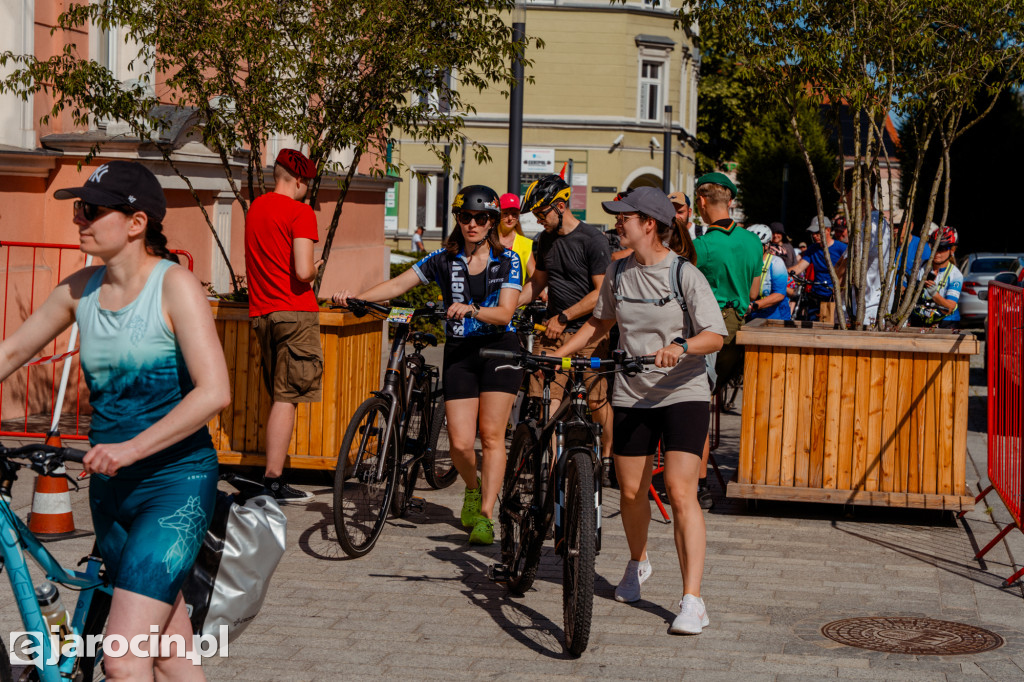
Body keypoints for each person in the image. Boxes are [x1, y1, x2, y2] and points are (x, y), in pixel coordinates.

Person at [0, 161, 231, 678]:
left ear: (135, 222)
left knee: (124, 659)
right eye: (79, 209)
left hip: (174, 486)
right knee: (170, 648)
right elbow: (11, 351)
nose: (79, 220)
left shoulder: (176, 287)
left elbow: (215, 393)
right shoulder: (80, 289)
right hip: (110, 489)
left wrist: (131, 449)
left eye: (91, 210)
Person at [552, 187, 726, 635]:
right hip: (632, 392)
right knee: (630, 492)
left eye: (623, 217)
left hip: (683, 391)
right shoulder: (618, 273)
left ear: (648, 223)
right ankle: (637, 562)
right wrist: (562, 354)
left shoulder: (684, 275)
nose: (616, 224)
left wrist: (680, 346)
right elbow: (600, 321)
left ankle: (693, 600)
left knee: (679, 488)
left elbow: (715, 336)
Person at [333, 185, 523, 545]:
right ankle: (472, 486)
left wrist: (472, 309)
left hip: (500, 349)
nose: (472, 224)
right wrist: (356, 298)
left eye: (481, 218)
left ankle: (485, 515)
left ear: (492, 222)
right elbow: (398, 284)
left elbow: (506, 313)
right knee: (460, 444)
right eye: (465, 217)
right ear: (457, 220)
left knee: (492, 436)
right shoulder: (443, 258)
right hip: (460, 351)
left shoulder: (508, 260)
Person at [518, 174, 614, 475]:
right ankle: (552, 465)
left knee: (597, 402)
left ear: (561, 206)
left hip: (590, 333)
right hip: (553, 332)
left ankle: (609, 459)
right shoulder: (544, 240)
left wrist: (564, 316)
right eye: (534, 215)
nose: (538, 221)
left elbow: (600, 292)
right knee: (547, 398)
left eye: (541, 213)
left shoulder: (593, 240)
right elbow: (538, 282)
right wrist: (507, 305)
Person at [245, 148, 323, 503]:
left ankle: (272, 477)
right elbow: (303, 271)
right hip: (294, 312)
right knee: (287, 399)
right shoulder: (300, 211)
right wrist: (317, 267)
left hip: (262, 312)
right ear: (300, 181)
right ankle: (273, 480)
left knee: (277, 396)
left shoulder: (256, 207)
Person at [690, 172, 763, 509]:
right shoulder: (753, 242)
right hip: (742, 331)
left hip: (711, 330)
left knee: (696, 408)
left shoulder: (702, 246)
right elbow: (753, 292)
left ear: (702, 202)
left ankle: (699, 483)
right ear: (729, 201)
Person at [789, 215, 847, 323]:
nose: (815, 236)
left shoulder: (841, 248)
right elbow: (799, 267)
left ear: (828, 230)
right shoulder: (812, 249)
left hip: (834, 296)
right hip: (815, 295)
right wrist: (782, 273)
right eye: (813, 233)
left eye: (817, 232)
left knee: (830, 325)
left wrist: (838, 288)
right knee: (812, 324)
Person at [910, 227, 962, 329]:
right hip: (920, 319)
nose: (936, 253)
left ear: (952, 250)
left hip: (946, 321)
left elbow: (950, 307)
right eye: (934, 247)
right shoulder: (920, 266)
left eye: (942, 249)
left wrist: (934, 295)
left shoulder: (956, 275)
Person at [747, 224, 792, 320]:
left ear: (766, 246)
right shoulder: (746, 262)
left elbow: (779, 294)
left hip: (775, 318)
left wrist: (753, 306)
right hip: (752, 316)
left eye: (757, 245)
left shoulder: (776, 263)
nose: (752, 248)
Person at [497, 192, 535, 279]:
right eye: (505, 213)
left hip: (517, 292)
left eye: (514, 214)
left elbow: (535, 279)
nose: (510, 218)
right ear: (499, 214)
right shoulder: (488, 239)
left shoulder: (526, 244)